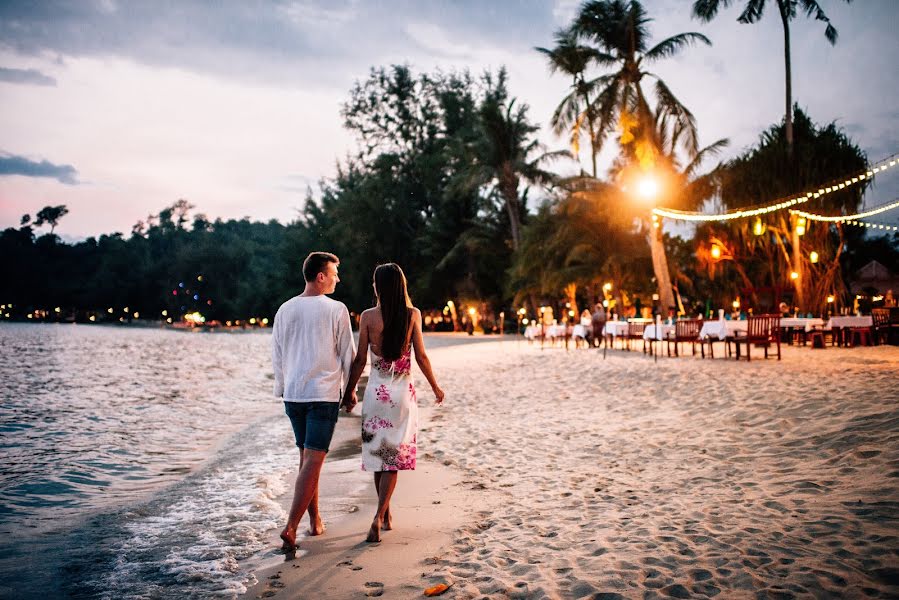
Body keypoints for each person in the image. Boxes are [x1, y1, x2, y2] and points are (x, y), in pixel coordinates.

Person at [342, 263, 445, 543]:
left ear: (378, 286)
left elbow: (360, 360)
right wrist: (435, 386)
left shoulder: (367, 317)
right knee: (392, 459)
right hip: (401, 395)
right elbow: (421, 356)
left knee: (379, 455)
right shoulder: (412, 315)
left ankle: (382, 514)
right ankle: (380, 516)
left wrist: (349, 392)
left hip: (376, 393)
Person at [272, 251, 355, 551]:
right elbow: (348, 354)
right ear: (321, 276)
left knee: (307, 460)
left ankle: (315, 520)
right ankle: (291, 527)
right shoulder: (336, 309)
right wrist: (351, 391)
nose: (337, 278)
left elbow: (277, 354)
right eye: (334, 273)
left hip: (293, 395)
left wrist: (282, 387)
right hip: (322, 396)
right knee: (313, 462)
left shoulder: (284, 309)